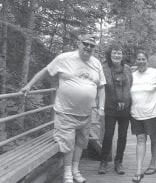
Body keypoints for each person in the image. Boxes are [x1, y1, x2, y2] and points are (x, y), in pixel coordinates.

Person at [20, 34, 106, 183]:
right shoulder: (64, 58)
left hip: (86, 114)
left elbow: (101, 87)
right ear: (79, 43)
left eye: (92, 46)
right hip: (65, 112)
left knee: (80, 143)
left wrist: (101, 107)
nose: (88, 47)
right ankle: (67, 175)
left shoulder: (96, 63)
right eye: (86, 44)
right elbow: (46, 71)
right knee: (68, 143)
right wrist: (29, 85)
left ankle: (75, 170)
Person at [130, 51, 156, 183]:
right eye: (138, 59)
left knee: (154, 137)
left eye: (143, 59)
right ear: (136, 61)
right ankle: (139, 171)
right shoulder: (132, 75)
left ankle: (153, 163)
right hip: (136, 113)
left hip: (154, 111)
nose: (141, 61)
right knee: (140, 139)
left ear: (147, 60)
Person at [98, 44, 132, 175]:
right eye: (114, 53)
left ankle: (119, 162)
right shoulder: (104, 68)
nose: (117, 55)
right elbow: (100, 86)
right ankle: (104, 162)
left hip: (125, 110)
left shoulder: (128, 69)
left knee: (123, 136)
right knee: (108, 135)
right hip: (110, 108)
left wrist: (126, 101)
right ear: (110, 54)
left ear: (122, 55)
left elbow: (131, 86)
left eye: (119, 53)